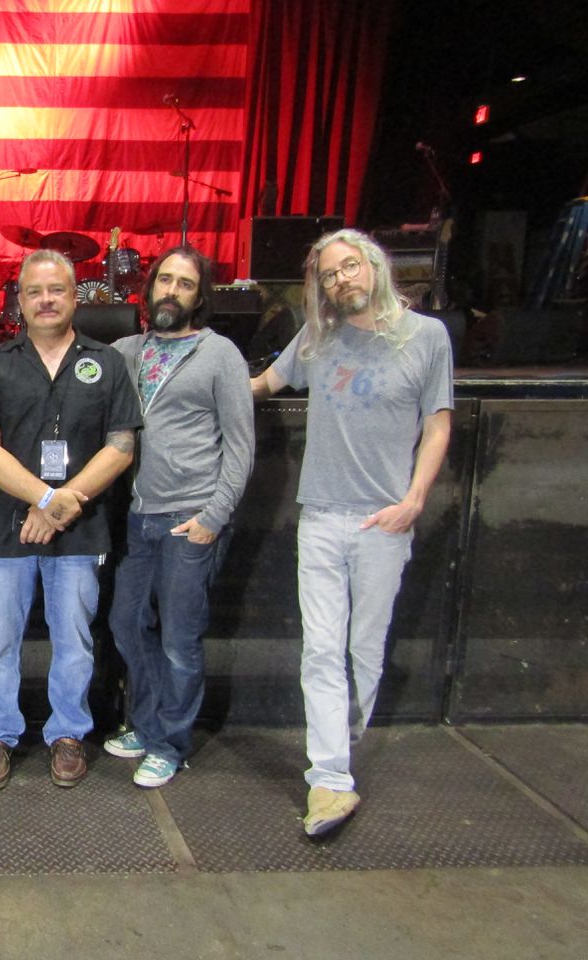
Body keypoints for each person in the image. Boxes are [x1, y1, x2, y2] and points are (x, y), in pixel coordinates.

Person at [251, 228, 453, 836]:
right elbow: (263, 385)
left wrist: (413, 501)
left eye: (349, 266)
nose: (341, 280)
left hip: (381, 523)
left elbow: (438, 426)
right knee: (320, 651)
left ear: (374, 266)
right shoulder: (318, 338)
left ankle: (340, 746)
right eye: (329, 275)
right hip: (320, 517)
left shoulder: (427, 337)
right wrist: (193, 378)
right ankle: (331, 779)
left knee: (364, 650)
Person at [0, 249, 139, 789]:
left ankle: (67, 733)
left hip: (81, 530)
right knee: (0, 639)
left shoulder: (106, 362)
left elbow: (121, 446)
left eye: (57, 290)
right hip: (7, 528)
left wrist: (66, 503)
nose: (46, 300)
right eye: (35, 291)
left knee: (74, 641)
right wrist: (46, 499)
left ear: (75, 297)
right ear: (19, 300)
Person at [106, 245, 254, 787]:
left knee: (178, 640)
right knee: (126, 624)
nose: (172, 291)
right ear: (149, 289)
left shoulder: (220, 355)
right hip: (138, 516)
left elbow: (241, 446)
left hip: (191, 517)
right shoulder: (125, 351)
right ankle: (147, 726)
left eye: (185, 283)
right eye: (164, 280)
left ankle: (170, 744)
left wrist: (214, 517)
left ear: (199, 296)